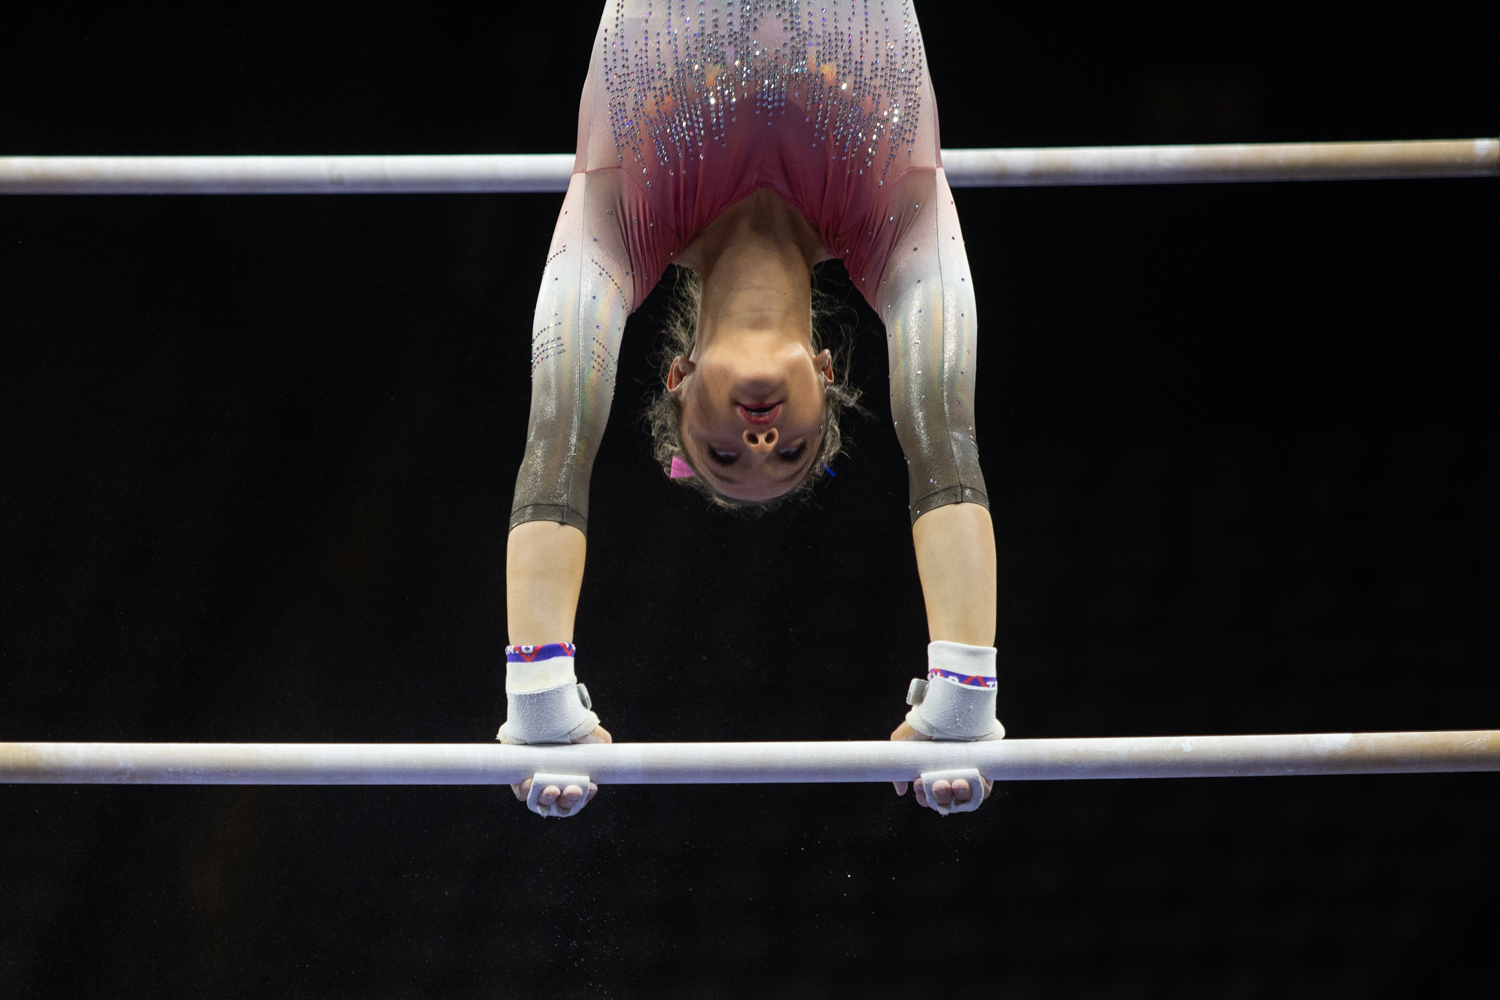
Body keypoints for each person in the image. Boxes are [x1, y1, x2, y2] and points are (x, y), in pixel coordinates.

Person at [503, 0, 1001, 816]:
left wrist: (543, 704)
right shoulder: (897, 227)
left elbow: (557, 436)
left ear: (677, 377)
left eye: (726, 454)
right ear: (826, 371)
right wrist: (960, 703)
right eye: (792, 451)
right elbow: (944, 438)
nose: (760, 437)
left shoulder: (617, 225)